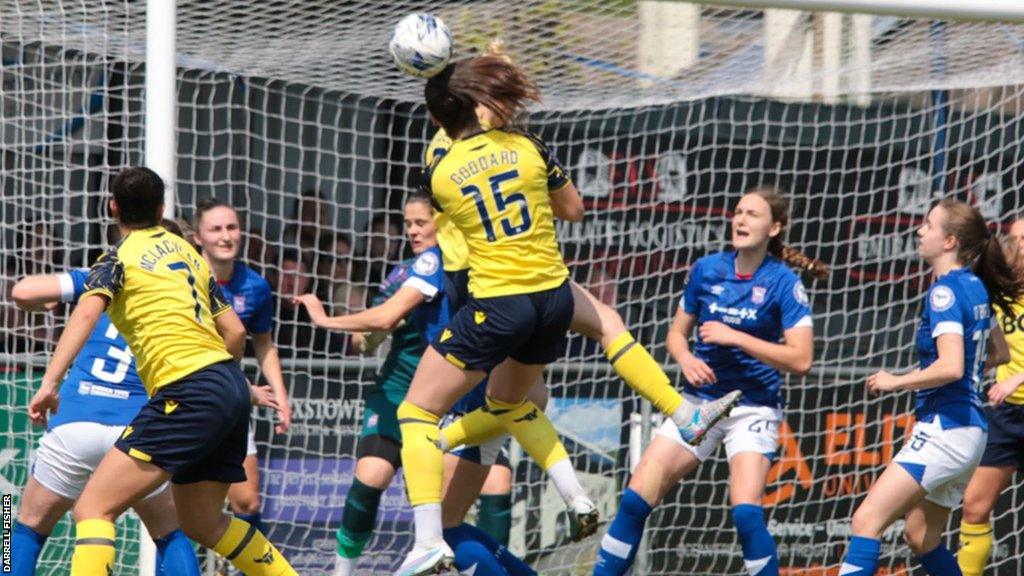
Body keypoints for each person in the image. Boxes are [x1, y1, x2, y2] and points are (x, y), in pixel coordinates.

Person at [393, 55, 737, 576]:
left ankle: (426, 542)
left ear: (439, 119)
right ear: (483, 104)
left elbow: (451, 225)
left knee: (415, 413)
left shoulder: (437, 173)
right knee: (519, 396)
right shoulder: (528, 147)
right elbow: (573, 209)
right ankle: (680, 416)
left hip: (493, 303)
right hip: (551, 298)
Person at [31, 166, 296, 576]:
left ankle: (7, 558)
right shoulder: (188, 254)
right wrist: (218, 379)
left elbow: (38, 297)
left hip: (91, 423)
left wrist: (49, 383)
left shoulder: (113, 262)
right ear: (162, 208)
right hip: (211, 390)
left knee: (33, 521)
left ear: (112, 206)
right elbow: (236, 332)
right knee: (194, 526)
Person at [296, 192, 541, 576]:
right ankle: (342, 571)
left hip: (460, 400)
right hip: (400, 395)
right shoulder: (410, 271)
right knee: (374, 476)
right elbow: (369, 334)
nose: (412, 230)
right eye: (407, 223)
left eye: (420, 222)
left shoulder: (472, 266)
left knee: (492, 486)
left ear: (443, 222)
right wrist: (373, 334)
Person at [593, 187, 828, 576]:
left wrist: (735, 337)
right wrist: (685, 358)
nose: (741, 220)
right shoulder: (708, 268)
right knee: (636, 498)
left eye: (753, 214)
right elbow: (675, 335)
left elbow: (801, 359)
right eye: (738, 211)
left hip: (753, 405)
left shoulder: (783, 282)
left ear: (774, 228)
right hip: (699, 404)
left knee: (747, 514)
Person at [11, 219, 203, 576]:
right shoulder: (188, 297)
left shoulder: (106, 272)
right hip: (137, 429)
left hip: (76, 421)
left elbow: (23, 291)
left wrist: (48, 301)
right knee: (170, 533)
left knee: (23, 527)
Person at [838, 199, 1018, 576]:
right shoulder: (974, 286)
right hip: (971, 431)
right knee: (921, 536)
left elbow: (951, 367)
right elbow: (998, 354)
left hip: (947, 429)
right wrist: (964, 364)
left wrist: (895, 381)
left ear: (949, 240)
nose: (919, 231)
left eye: (928, 225)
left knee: (866, 520)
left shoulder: (944, 293)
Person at [192, 197, 292, 536]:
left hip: (229, 404)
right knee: (174, 511)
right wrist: (247, 389)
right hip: (185, 400)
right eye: (216, 229)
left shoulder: (255, 286)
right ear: (197, 237)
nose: (225, 236)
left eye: (232, 227)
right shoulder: (183, 281)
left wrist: (280, 396)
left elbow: (263, 343)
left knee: (247, 502)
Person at [957, 217, 1024, 576]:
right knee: (974, 507)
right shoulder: (998, 291)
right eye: (1014, 239)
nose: (1018, 246)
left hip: (1013, 393)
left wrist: (1018, 379)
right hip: (1006, 414)